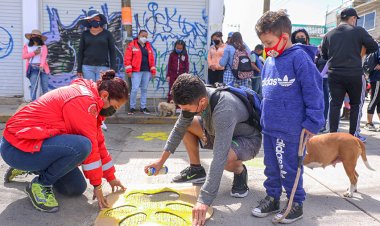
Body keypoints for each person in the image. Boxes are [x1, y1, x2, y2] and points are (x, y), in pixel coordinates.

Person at [0, 70, 127, 213]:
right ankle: (40, 184)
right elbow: (91, 150)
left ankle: (33, 166)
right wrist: (97, 186)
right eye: (115, 107)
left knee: (75, 188)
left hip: (33, 144)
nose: (113, 111)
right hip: (15, 148)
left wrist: (111, 178)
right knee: (82, 146)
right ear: (105, 95)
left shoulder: (92, 100)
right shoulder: (84, 102)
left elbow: (99, 144)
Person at [144, 74, 261, 226]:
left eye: (186, 109)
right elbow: (178, 129)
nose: (183, 112)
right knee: (186, 124)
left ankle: (240, 171)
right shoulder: (198, 94)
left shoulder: (224, 109)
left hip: (246, 139)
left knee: (224, 160)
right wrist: (160, 161)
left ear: (202, 101)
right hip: (217, 131)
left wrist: (204, 200)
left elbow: (219, 156)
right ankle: (196, 169)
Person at [252, 10, 324, 223]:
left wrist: (313, 121)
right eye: (263, 43)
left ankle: (295, 203)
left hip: (292, 128)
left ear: (284, 37)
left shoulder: (299, 58)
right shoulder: (270, 61)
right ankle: (272, 197)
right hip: (271, 126)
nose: (266, 48)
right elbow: (266, 93)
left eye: (269, 42)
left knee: (289, 168)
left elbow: (314, 91)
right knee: (271, 166)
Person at [321, 8, 378, 142]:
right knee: (356, 104)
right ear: (353, 19)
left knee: (334, 104)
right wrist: (361, 53)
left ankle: (332, 135)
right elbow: (374, 47)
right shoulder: (358, 31)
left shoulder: (329, 34)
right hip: (354, 73)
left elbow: (324, 56)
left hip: (334, 73)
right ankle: (353, 135)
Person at [77, 9, 116, 81]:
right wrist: (79, 68)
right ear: (89, 21)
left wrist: (113, 68)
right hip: (87, 67)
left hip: (103, 67)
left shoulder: (107, 34)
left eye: (97, 18)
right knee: (90, 90)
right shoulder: (85, 34)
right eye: (92, 19)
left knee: (101, 90)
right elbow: (80, 52)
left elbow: (112, 52)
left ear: (100, 20)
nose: (95, 20)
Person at [125, 30, 156, 115]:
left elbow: (152, 59)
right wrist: (129, 70)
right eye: (143, 36)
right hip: (136, 71)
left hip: (146, 71)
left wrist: (153, 71)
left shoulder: (148, 46)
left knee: (144, 89)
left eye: (146, 36)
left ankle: (143, 107)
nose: (144, 38)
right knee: (134, 89)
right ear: (138, 35)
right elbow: (127, 59)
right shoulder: (132, 45)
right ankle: (132, 107)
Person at [22, 29, 50, 101]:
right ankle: (33, 103)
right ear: (31, 36)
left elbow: (44, 56)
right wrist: (34, 53)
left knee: (45, 87)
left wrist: (41, 65)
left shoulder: (43, 46)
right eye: (34, 35)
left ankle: (45, 103)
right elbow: (24, 56)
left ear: (40, 37)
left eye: (38, 36)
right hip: (32, 67)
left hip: (43, 67)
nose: (36, 36)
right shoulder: (27, 46)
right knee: (34, 86)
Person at [364, 44, 380, 131]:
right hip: (377, 79)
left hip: (376, 78)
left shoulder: (376, 47)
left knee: (377, 101)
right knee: (374, 100)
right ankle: (368, 123)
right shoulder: (378, 48)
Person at [316, 45, 329, 132]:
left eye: (321, 47)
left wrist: (320, 75)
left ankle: (324, 124)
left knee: (325, 102)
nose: (320, 49)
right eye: (320, 47)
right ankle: (319, 123)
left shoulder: (329, 56)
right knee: (319, 102)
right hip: (318, 80)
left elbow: (328, 66)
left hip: (326, 80)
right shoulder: (318, 57)